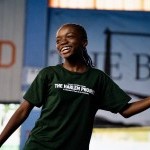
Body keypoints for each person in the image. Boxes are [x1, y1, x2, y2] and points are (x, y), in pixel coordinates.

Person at [0, 23, 150, 150]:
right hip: (40, 145)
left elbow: (126, 111)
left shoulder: (97, 78)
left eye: (69, 37)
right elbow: (22, 111)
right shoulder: (49, 74)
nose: (62, 42)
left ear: (84, 42)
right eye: (58, 40)